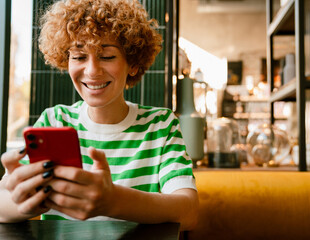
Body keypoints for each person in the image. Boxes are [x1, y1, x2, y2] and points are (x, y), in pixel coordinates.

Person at [0, 0, 198, 231]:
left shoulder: (160, 125)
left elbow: (189, 213)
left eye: (107, 56)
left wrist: (113, 201)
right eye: (79, 56)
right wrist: (23, 203)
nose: (92, 71)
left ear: (132, 63)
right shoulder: (54, 121)